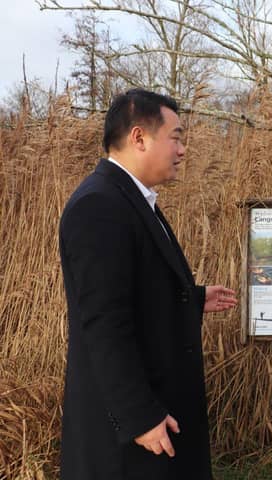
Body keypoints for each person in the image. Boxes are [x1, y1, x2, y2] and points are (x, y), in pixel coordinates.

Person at [58, 89, 238, 480]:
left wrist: (191, 298)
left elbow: (136, 289)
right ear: (139, 137)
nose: (183, 150)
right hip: (129, 438)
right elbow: (104, 323)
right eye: (175, 137)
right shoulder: (99, 206)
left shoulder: (132, 199)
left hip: (156, 415)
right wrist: (139, 416)